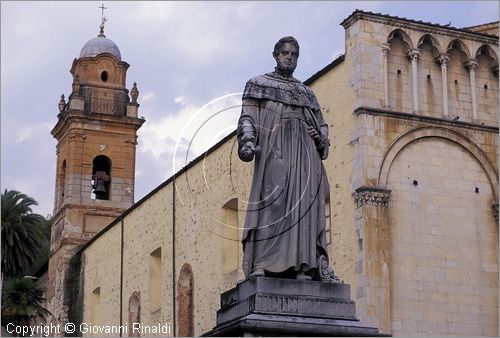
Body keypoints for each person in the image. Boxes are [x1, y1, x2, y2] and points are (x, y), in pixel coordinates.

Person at [237, 36, 333, 281]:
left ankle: (302, 265)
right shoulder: (258, 84)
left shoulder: (307, 94)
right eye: (285, 53)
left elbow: (323, 126)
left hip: (305, 156)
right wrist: (247, 141)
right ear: (276, 55)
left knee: (302, 209)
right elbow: (247, 117)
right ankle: (262, 263)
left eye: (294, 54)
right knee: (273, 202)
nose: (289, 57)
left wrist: (319, 137)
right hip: (274, 150)